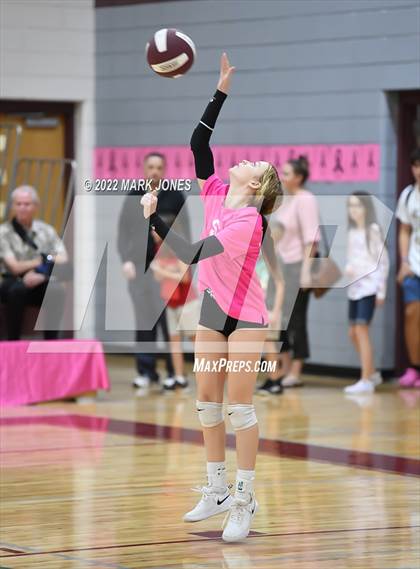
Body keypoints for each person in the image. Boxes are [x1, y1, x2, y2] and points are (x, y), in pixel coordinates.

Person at [140, 53, 283, 542]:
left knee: (240, 410)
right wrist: (220, 89)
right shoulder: (218, 191)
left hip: (246, 317)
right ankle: (217, 489)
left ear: (259, 184)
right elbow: (199, 141)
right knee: (206, 403)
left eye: (254, 164)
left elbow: (192, 251)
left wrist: (153, 216)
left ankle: (245, 498)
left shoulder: (250, 221)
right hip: (212, 308)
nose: (244, 159)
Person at [117, 152, 191, 390]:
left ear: (165, 169)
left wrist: (183, 265)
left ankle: (173, 372)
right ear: (144, 168)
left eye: (159, 167)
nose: (155, 171)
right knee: (143, 320)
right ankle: (146, 371)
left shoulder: (174, 196)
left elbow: (185, 232)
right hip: (140, 268)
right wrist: (126, 260)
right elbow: (122, 233)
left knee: (168, 324)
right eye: (150, 166)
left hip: (167, 268)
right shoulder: (133, 196)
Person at [265, 156, 320, 390]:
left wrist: (307, 273)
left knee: (297, 320)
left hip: (299, 266)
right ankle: (284, 368)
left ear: (298, 178)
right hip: (282, 266)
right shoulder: (283, 199)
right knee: (279, 320)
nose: (282, 177)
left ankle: (296, 371)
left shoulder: (306, 199)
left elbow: (312, 240)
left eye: (286, 173)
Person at [0, 185, 67, 340]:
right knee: (17, 290)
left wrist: (40, 273)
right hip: (12, 281)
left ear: (35, 206)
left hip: (41, 278)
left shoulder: (46, 230)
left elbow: (63, 258)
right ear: (13, 206)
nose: (22, 208)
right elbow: (15, 267)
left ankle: (51, 343)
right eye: (18, 204)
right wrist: (42, 259)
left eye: (27, 204)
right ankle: (13, 342)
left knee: (56, 290)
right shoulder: (4, 232)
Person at [343, 192, 389, 394]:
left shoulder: (373, 230)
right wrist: (348, 267)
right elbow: (352, 258)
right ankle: (371, 373)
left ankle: (365, 380)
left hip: (369, 288)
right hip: (354, 289)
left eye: (358, 205)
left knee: (361, 331)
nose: (354, 210)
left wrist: (381, 291)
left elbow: (383, 262)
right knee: (352, 332)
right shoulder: (352, 231)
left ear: (367, 208)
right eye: (351, 205)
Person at [150, 218, 200, 390]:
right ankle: (179, 377)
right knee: (174, 343)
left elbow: (184, 278)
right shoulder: (159, 250)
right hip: (170, 302)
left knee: (197, 343)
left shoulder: (180, 249)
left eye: (155, 229)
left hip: (187, 303)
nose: (152, 233)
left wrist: (162, 270)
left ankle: (206, 377)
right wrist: (162, 271)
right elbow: (157, 277)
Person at [396, 148, 420, 388]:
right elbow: (404, 230)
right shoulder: (408, 195)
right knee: (412, 314)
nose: (418, 170)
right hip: (414, 264)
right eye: (415, 165)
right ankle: (414, 368)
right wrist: (404, 262)